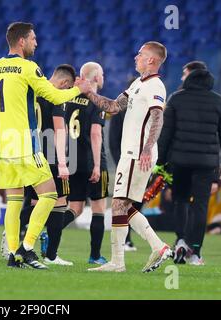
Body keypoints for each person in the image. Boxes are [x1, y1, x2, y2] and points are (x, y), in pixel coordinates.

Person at [0, 22, 89, 269]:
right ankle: (27, 248)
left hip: (3, 146)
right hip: (25, 143)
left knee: (14, 201)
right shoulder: (28, 68)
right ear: (22, 41)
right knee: (49, 194)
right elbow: (56, 96)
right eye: (33, 38)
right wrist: (80, 88)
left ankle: (13, 255)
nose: (36, 42)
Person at [86, 41, 172, 273]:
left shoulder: (156, 85)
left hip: (138, 154)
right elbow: (113, 107)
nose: (136, 57)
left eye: (141, 54)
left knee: (118, 204)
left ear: (151, 60)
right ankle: (158, 247)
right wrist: (89, 93)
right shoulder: (137, 84)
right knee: (123, 205)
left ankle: (118, 262)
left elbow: (158, 117)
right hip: (130, 153)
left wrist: (146, 148)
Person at [157, 61, 221, 266]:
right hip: (206, 163)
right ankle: (195, 252)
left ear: (189, 78)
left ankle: (181, 240)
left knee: (180, 201)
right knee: (200, 205)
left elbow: (166, 134)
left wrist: (160, 162)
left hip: (179, 161)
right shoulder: (219, 101)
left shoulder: (176, 99)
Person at [14, 64, 76, 266]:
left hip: (31, 153)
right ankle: (51, 254)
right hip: (50, 156)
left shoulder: (33, 91)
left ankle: (13, 240)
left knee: (33, 202)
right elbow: (59, 130)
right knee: (60, 203)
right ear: (65, 84)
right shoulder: (56, 95)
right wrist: (62, 162)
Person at [61, 62, 109, 265]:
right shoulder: (97, 102)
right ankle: (95, 256)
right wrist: (97, 165)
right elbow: (96, 133)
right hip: (91, 161)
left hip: (73, 160)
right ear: (96, 78)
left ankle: (49, 233)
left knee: (75, 208)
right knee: (98, 208)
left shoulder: (70, 98)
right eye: (103, 74)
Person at [108, 77, 139, 252]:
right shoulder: (122, 109)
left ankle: (126, 239)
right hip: (126, 160)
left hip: (141, 161)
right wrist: (120, 161)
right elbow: (114, 140)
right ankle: (124, 240)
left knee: (132, 201)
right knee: (124, 201)